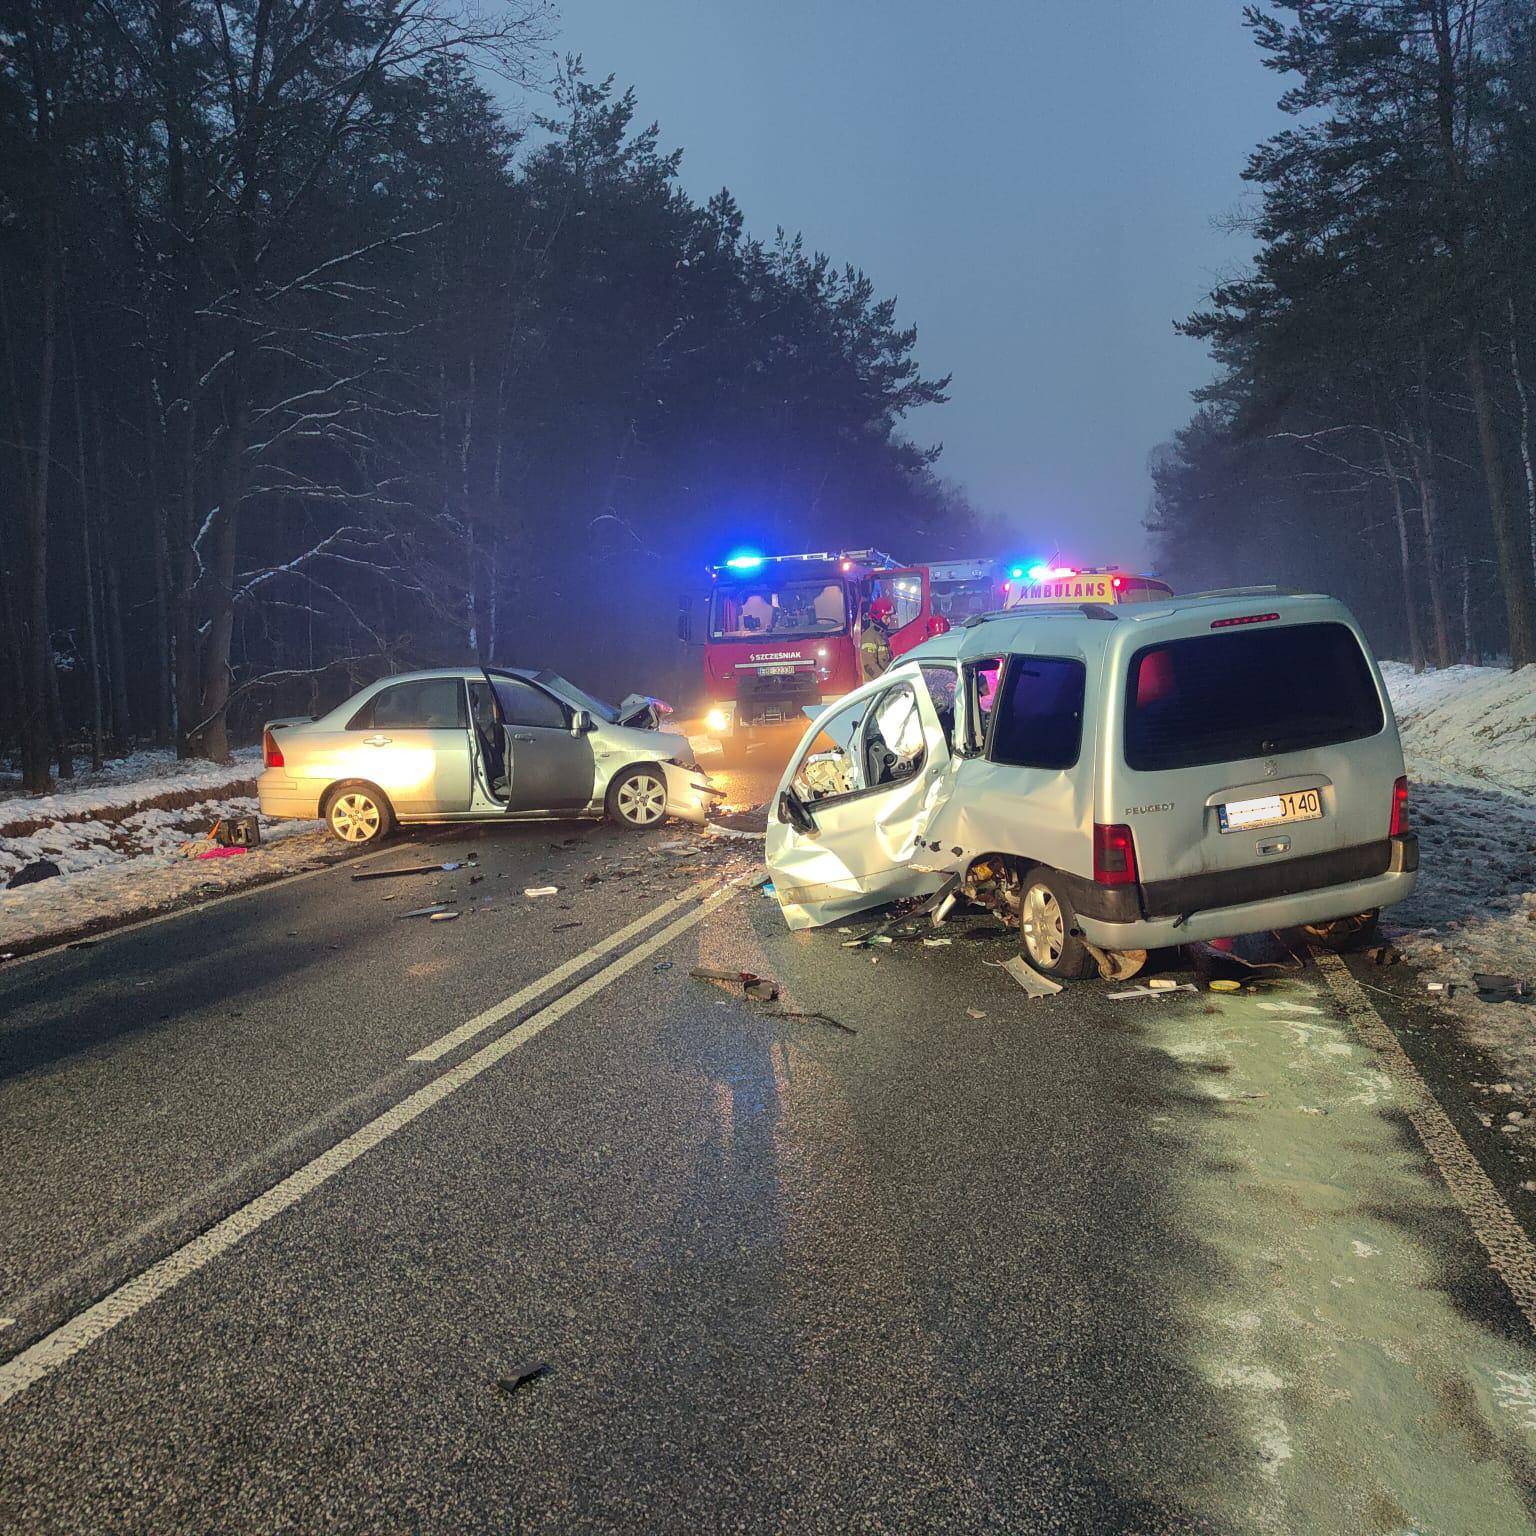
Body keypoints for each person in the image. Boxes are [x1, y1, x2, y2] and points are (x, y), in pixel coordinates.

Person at [860, 596, 895, 681]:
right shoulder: (869, 637)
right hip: (877, 685)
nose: (889, 621)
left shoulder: (881, 635)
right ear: (877, 617)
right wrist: (885, 681)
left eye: (890, 617)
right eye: (886, 618)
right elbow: (869, 666)